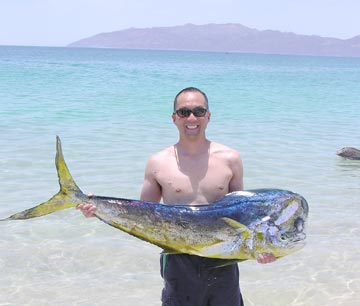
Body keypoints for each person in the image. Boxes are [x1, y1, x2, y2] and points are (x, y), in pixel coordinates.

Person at [78, 87, 276, 306]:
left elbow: (242, 218)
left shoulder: (231, 159)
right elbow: (142, 213)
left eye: (198, 111)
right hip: (177, 261)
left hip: (223, 262)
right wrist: (97, 209)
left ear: (208, 116)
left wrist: (263, 248)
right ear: (174, 118)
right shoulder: (158, 162)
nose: (191, 118)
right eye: (184, 112)